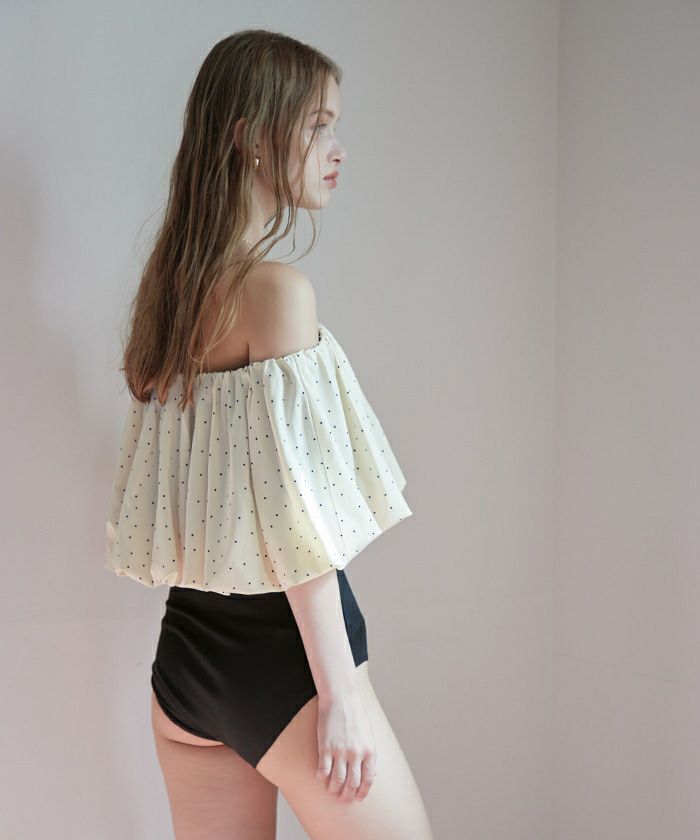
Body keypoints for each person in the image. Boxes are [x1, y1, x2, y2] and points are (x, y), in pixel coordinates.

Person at [104, 29, 434, 840]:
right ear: (253, 137)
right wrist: (340, 695)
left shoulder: (169, 300)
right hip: (285, 666)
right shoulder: (276, 293)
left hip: (187, 667)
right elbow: (295, 519)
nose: (338, 149)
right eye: (318, 126)